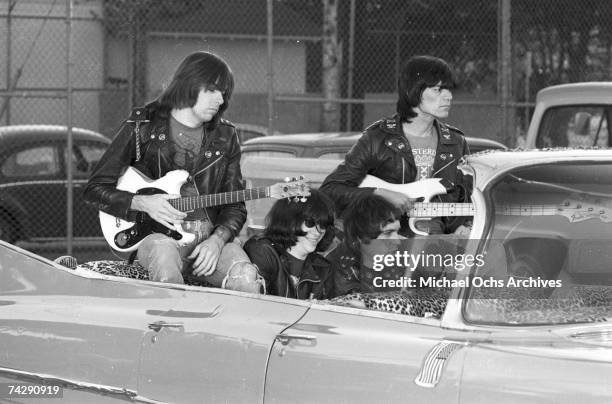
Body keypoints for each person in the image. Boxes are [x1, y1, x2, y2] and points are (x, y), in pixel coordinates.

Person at [84, 51, 261, 293]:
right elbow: (94, 190)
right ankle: (173, 327)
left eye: (224, 93)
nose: (220, 100)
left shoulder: (226, 135)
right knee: (164, 256)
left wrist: (217, 240)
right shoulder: (142, 127)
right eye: (212, 90)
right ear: (189, 83)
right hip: (158, 237)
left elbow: (236, 204)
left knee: (246, 278)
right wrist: (142, 202)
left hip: (207, 237)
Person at [321, 55, 471, 237]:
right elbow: (330, 190)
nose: (449, 96)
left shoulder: (455, 142)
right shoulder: (378, 139)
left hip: (436, 248)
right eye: (438, 89)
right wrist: (380, 194)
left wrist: (466, 225)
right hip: (387, 247)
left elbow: (467, 200)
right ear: (413, 91)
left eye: (448, 89)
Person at [243, 189, 336, 299]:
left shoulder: (322, 268)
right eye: (310, 223)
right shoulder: (262, 251)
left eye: (323, 225)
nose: (317, 232)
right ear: (289, 219)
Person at [328, 193, 407, 297]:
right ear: (360, 237)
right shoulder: (336, 269)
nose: (397, 241)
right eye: (388, 233)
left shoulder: (403, 257)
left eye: (397, 232)